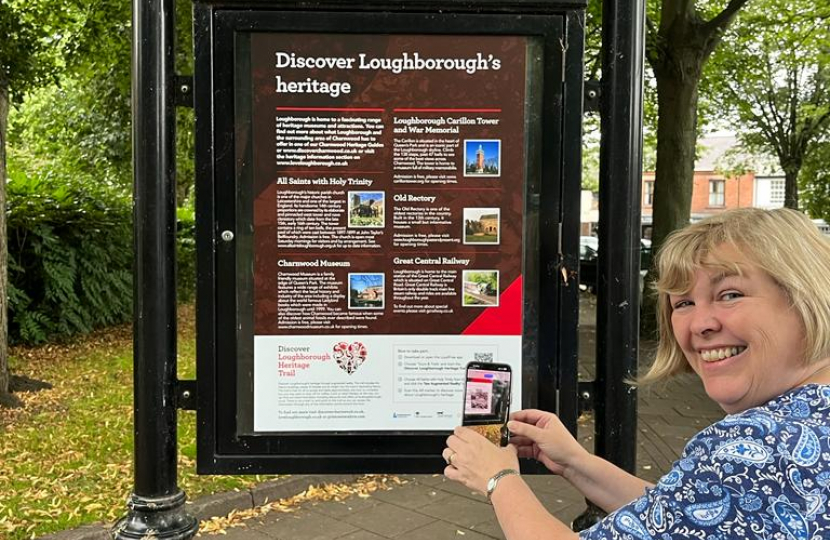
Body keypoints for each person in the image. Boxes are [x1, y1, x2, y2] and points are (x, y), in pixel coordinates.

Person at [443, 208, 830, 539]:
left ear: (807, 297)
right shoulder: (802, 427)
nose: (699, 324)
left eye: (730, 294)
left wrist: (499, 478)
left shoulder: (756, 446)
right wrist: (575, 462)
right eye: (683, 303)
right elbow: (681, 516)